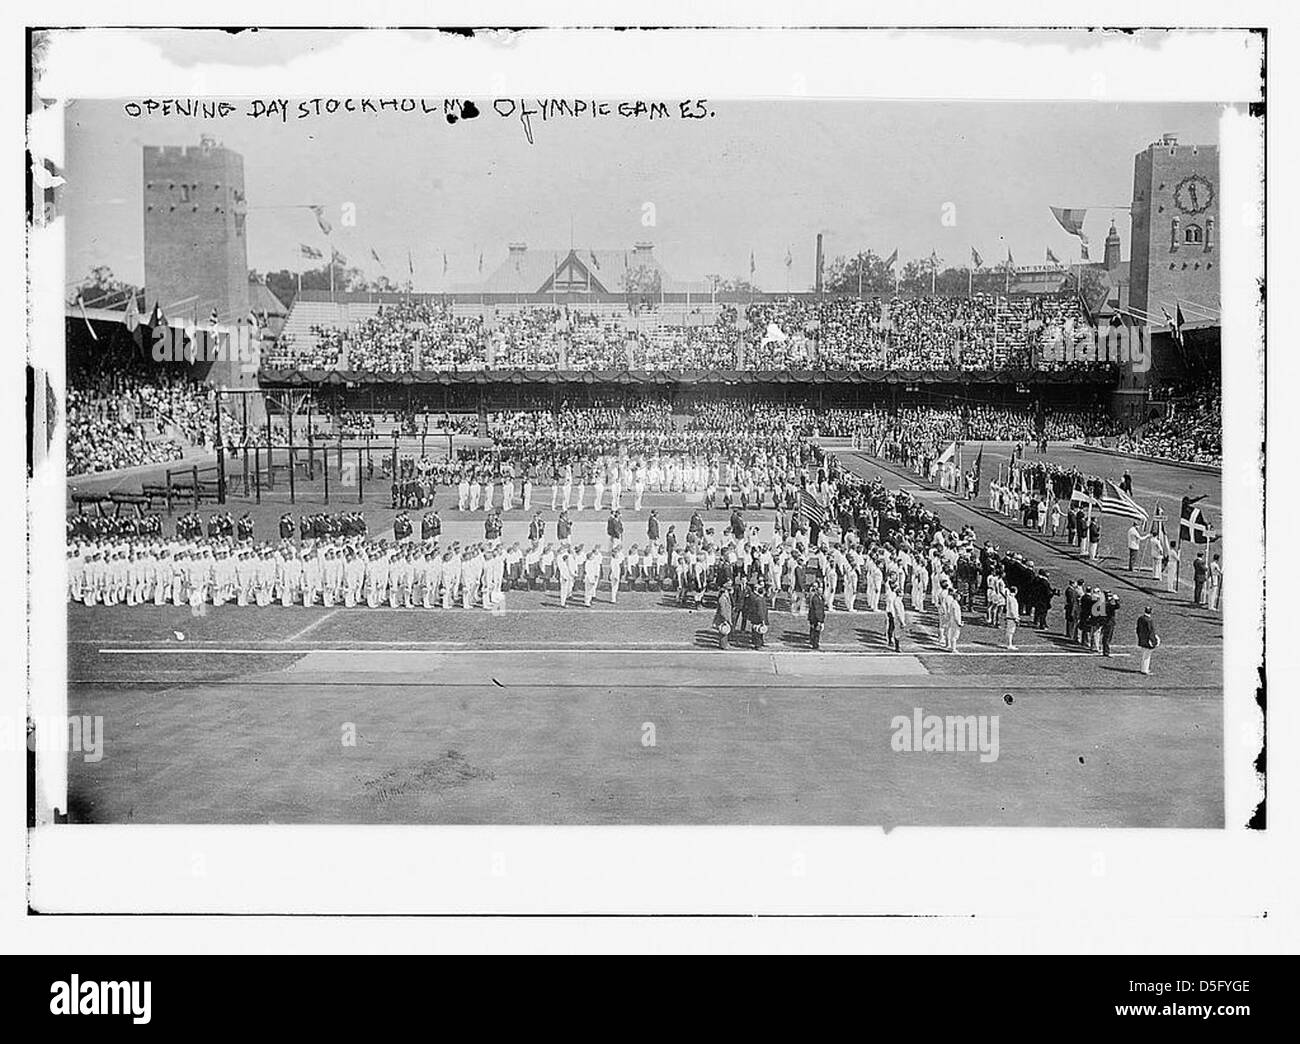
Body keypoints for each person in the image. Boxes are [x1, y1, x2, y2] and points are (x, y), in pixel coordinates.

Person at [1135, 605, 1159, 675]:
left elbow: (1138, 629)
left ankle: (1143, 668)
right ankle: (1145, 670)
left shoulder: (1140, 618)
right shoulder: (1149, 620)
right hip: (1148, 640)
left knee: (1144, 655)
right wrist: (1153, 640)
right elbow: (1151, 631)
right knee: (1147, 656)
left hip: (1142, 639)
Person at [714, 585, 733, 650]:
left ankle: (724, 644)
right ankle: (723, 645)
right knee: (723, 631)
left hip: (726, 617)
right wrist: (725, 619)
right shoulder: (722, 599)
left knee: (725, 632)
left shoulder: (725, 598)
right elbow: (722, 610)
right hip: (723, 618)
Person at [807, 586, 826, 650]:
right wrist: (819, 620)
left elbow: (822, 609)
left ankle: (815, 643)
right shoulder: (815, 598)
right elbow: (817, 610)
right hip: (815, 618)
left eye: (822, 591)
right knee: (815, 632)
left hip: (818, 618)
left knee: (816, 632)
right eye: (819, 591)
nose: (821, 592)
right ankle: (815, 645)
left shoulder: (821, 598)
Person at [1003, 585, 1020, 650]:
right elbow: (1013, 609)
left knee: (1010, 631)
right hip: (1011, 617)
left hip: (1010, 616)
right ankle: (1009, 644)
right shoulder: (1012, 599)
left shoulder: (1010, 598)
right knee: (1010, 631)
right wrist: (1016, 618)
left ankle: (1009, 644)